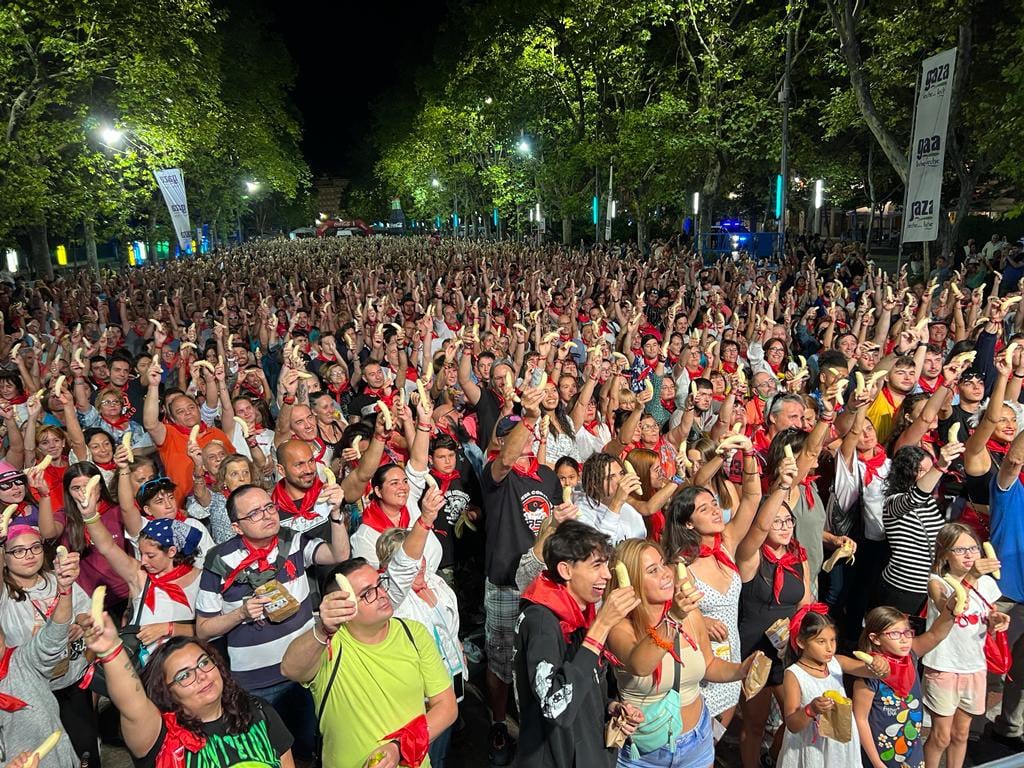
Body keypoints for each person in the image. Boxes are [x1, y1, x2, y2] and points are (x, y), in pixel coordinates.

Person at [194, 482, 350, 760]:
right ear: (236, 527)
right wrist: (240, 613)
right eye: (254, 513)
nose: (267, 515)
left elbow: (339, 555)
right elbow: (203, 630)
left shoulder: (293, 540)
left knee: (314, 748)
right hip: (256, 683)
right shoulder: (218, 560)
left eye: (269, 507)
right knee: (272, 756)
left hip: (308, 673)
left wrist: (337, 515)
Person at [280, 550, 457, 768]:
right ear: (343, 607)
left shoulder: (413, 634)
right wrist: (322, 630)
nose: (382, 594)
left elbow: (446, 707)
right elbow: (290, 669)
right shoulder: (329, 644)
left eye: (380, 584)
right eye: (367, 593)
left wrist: (399, 747)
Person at [606, 538, 755, 767]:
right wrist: (674, 617)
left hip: (697, 741)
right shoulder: (619, 626)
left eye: (664, 564)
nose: (665, 573)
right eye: (652, 570)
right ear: (632, 581)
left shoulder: (692, 616)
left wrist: (742, 669)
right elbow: (641, 665)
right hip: (642, 752)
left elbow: (709, 664)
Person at [80, 613, 295, 768]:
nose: (201, 675)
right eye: (184, 675)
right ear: (168, 692)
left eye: (204, 663)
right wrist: (111, 651)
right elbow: (131, 703)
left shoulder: (258, 710)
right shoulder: (158, 736)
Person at [513, 520, 644, 768]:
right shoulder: (541, 622)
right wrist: (601, 628)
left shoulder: (581, 612)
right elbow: (555, 706)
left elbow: (584, 684)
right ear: (566, 570)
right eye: (596, 565)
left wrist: (611, 708)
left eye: (606, 564)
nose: (607, 574)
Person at [922, 524, 1008, 768]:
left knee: (961, 734)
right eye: (961, 550)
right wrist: (971, 578)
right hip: (943, 666)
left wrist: (997, 620)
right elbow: (947, 607)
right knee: (940, 736)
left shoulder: (988, 585)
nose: (970, 555)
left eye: (973, 548)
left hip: (974, 667)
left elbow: (988, 615)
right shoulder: (937, 582)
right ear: (945, 554)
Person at [0, 527, 81, 767]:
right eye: (18, 551)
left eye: (35, 548)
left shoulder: (21, 662)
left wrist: (65, 590)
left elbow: (53, 636)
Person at [853, 605, 955, 768]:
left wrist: (951, 611)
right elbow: (861, 719)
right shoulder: (868, 675)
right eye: (895, 634)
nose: (904, 639)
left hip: (912, 751)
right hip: (880, 756)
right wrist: (876, 763)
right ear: (875, 638)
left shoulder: (911, 657)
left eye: (908, 632)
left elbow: (936, 634)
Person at [875, 441, 964, 620]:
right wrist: (939, 466)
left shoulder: (929, 502)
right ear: (906, 474)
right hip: (903, 588)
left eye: (931, 469)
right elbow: (915, 497)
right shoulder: (894, 502)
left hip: (928, 586)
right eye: (924, 471)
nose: (932, 475)